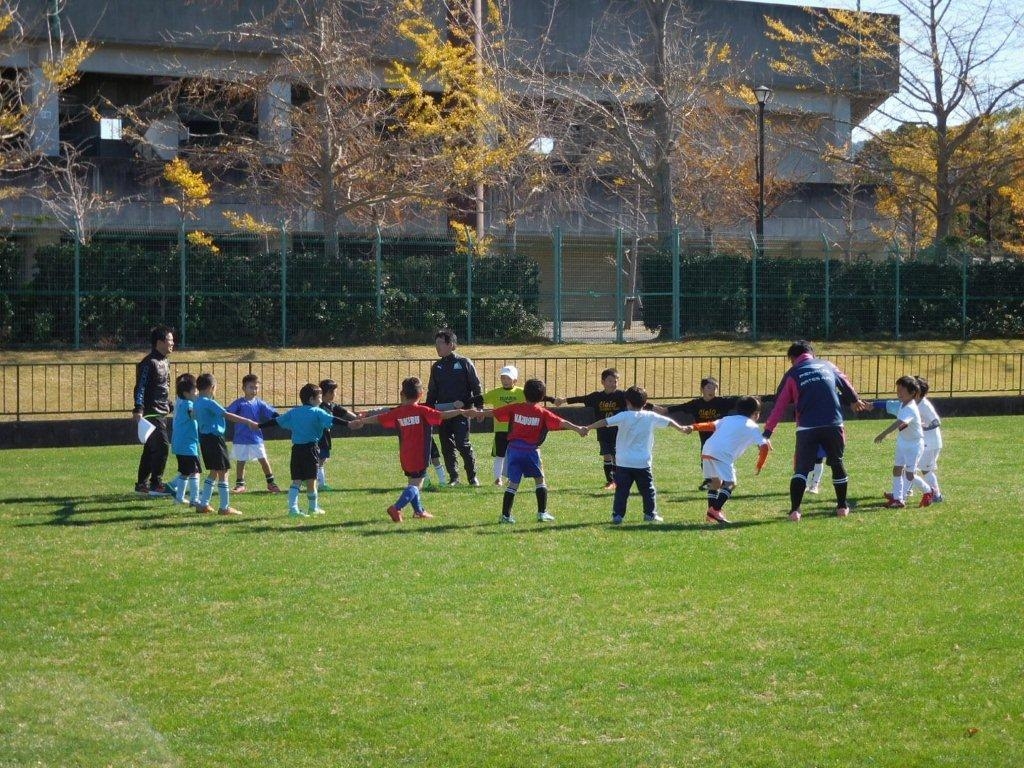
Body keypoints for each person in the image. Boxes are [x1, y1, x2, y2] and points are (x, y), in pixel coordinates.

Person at [762, 340, 871, 521]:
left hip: (807, 427)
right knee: (837, 463)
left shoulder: (792, 373)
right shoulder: (828, 365)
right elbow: (845, 382)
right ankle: (842, 507)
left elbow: (779, 405)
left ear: (792, 358)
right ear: (812, 353)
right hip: (834, 424)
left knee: (802, 469)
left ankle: (795, 511)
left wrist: (767, 432)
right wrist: (854, 399)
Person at [348, 377, 468, 522]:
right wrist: (460, 411)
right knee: (417, 485)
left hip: (405, 454)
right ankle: (396, 507)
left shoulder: (398, 412)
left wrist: (362, 421)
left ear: (402, 394)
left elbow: (380, 418)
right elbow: (442, 415)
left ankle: (419, 511)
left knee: (412, 483)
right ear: (421, 394)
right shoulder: (422, 410)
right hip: (419, 455)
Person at [483, 378, 587, 524]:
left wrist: (474, 413)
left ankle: (505, 516)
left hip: (513, 450)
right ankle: (542, 513)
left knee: (512, 483)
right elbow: (561, 422)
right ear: (542, 396)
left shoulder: (515, 407)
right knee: (540, 480)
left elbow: (493, 413)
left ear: (524, 393)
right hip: (531, 451)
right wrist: (578, 429)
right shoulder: (542, 412)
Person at [585, 385, 686, 525]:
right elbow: (669, 422)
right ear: (645, 403)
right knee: (648, 490)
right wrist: (681, 428)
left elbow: (605, 422)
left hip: (623, 462)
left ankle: (618, 516)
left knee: (621, 491)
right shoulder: (651, 416)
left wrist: (587, 428)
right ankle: (650, 514)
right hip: (642, 462)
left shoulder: (624, 416)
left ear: (627, 402)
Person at [260, 383, 354, 518]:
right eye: (319, 396)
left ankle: (293, 510)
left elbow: (276, 421)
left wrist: (259, 425)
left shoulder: (294, 412)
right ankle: (313, 508)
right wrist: (348, 424)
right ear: (311, 399)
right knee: (311, 480)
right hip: (311, 450)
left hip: (296, 450)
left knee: (296, 480)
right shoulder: (318, 412)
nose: (321, 399)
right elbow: (332, 419)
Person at [681, 396, 771, 525]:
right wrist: (760, 464)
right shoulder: (753, 426)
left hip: (707, 449)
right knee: (731, 483)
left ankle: (711, 515)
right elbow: (764, 447)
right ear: (756, 414)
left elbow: (710, 425)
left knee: (715, 482)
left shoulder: (728, 419)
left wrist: (693, 427)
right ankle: (715, 510)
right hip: (722, 454)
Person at [652, 376, 740, 497]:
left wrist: (756, 400)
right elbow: (673, 409)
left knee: (722, 458)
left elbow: (741, 401)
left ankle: (723, 479)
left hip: (721, 438)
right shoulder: (696, 404)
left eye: (715, 387)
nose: (713, 390)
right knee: (705, 458)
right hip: (705, 439)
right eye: (709, 387)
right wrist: (658, 408)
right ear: (702, 389)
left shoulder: (722, 402)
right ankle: (710, 480)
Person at [193, 373, 259, 516]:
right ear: (212, 387)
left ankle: (203, 504)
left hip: (204, 439)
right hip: (215, 439)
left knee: (214, 471)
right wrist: (248, 422)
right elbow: (227, 415)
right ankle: (224, 507)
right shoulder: (209, 402)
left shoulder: (196, 402)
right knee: (223, 472)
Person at [481, 364, 556, 486]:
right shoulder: (496, 392)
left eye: (508, 378)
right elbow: (481, 399)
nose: (505, 381)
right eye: (503, 378)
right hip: (500, 429)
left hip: (514, 430)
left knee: (512, 454)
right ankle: (497, 478)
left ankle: (511, 478)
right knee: (499, 454)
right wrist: (468, 405)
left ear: (515, 380)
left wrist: (552, 400)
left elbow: (538, 395)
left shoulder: (521, 392)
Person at [554, 368, 629, 490]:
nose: (613, 383)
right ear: (602, 382)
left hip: (619, 431)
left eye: (616, 381)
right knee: (606, 455)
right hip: (603, 431)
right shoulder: (596, 397)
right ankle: (610, 481)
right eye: (610, 381)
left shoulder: (622, 395)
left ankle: (618, 481)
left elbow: (637, 399)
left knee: (617, 455)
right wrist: (563, 400)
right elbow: (581, 398)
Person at [426, 328, 483, 486]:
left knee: (462, 443)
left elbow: (476, 387)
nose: (437, 347)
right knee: (446, 445)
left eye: (440, 343)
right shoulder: (436, 367)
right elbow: (432, 392)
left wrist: (476, 407)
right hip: (443, 413)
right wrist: (429, 412)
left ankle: (472, 477)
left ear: (451, 345)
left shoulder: (464, 362)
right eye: (435, 343)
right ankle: (454, 478)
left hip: (462, 412)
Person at [132, 324, 175, 496]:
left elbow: (164, 386)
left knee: (151, 448)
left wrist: (169, 404)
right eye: (170, 340)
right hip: (151, 411)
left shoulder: (165, 361)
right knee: (163, 446)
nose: (173, 343)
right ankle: (156, 484)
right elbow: (140, 387)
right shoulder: (148, 363)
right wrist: (138, 407)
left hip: (162, 410)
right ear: (160, 342)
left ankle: (141, 484)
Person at [873, 375, 925, 509]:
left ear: (912, 392)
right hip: (903, 442)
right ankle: (898, 499)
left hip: (914, 444)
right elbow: (904, 425)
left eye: (902, 390)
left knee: (910, 474)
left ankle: (928, 491)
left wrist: (883, 434)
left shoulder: (910, 408)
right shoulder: (903, 404)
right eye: (898, 389)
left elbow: (900, 423)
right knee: (897, 469)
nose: (898, 392)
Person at [226, 374, 281, 493]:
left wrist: (280, 418)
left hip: (256, 437)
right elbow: (228, 414)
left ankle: (271, 483)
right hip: (241, 437)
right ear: (243, 388)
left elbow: (271, 413)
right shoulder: (239, 403)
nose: (254, 390)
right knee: (241, 461)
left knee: (263, 459)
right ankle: (240, 484)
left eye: (256, 387)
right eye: (251, 387)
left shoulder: (260, 403)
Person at [166, 373, 202, 508]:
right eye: (195, 390)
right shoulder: (189, 405)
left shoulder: (181, 403)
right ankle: (195, 499)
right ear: (187, 393)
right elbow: (195, 415)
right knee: (195, 472)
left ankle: (179, 498)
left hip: (179, 444)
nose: (197, 393)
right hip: (189, 445)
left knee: (184, 472)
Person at [316, 379, 358, 490]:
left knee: (322, 459)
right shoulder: (319, 407)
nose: (335, 394)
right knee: (320, 459)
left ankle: (316, 481)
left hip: (326, 436)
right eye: (334, 392)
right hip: (319, 436)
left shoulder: (332, 405)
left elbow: (346, 413)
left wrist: (360, 419)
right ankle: (320, 484)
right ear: (329, 392)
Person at [914, 376, 944, 504]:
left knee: (925, 470)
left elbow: (936, 422)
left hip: (930, 443)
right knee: (911, 468)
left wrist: (922, 427)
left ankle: (936, 494)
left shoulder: (924, 405)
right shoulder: (916, 403)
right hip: (926, 443)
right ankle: (903, 493)